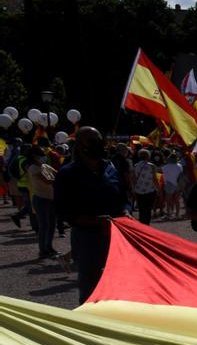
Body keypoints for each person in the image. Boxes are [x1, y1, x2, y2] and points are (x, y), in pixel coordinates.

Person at [53, 127, 127, 304]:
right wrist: (94, 220)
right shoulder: (67, 174)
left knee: (118, 284)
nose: (97, 145)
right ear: (79, 146)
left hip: (116, 237)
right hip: (87, 238)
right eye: (91, 141)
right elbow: (63, 211)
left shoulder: (110, 168)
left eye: (99, 140)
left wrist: (126, 211)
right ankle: (89, 325)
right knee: (90, 287)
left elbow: (123, 197)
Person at [25, 145, 58, 259]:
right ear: (34, 156)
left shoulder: (46, 166)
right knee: (44, 226)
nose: (43, 157)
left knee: (52, 225)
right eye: (41, 155)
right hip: (40, 199)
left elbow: (58, 174)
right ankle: (42, 250)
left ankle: (49, 247)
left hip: (51, 199)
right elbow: (48, 181)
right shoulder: (33, 168)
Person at [130, 149, 160, 225]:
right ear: (148, 156)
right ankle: (147, 224)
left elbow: (133, 178)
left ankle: (142, 224)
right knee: (148, 209)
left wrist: (133, 188)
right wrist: (158, 188)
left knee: (141, 209)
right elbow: (154, 179)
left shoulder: (136, 165)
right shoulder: (152, 166)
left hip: (138, 189)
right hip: (150, 189)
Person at [160, 152, 184, 219]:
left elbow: (161, 172)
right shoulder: (180, 166)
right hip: (177, 184)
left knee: (168, 200)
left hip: (168, 184)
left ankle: (169, 214)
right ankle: (177, 214)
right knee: (177, 200)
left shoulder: (165, 167)